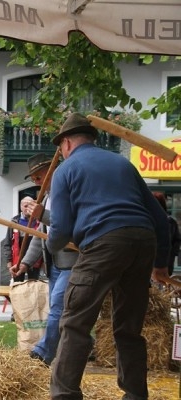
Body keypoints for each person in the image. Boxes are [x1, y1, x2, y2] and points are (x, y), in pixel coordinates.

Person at [46, 113, 170, 400]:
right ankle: (136, 395)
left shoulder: (66, 170)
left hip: (104, 243)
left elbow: (61, 229)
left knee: (75, 322)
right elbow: (160, 219)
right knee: (129, 327)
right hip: (143, 241)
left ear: (65, 143)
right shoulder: (122, 163)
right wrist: (161, 263)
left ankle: (64, 395)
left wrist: (52, 246)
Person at [16, 153, 78, 367]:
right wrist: (25, 262)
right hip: (54, 263)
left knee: (59, 309)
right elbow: (40, 235)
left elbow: (70, 227)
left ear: (52, 171)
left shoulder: (69, 194)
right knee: (59, 310)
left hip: (72, 261)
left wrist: (43, 215)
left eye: (38, 176)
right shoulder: (46, 197)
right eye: (33, 178)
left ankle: (42, 354)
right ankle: (69, 353)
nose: (35, 181)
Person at [1, 196, 42, 282]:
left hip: (35, 260)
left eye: (30, 206)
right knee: (17, 284)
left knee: (33, 284)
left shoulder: (39, 222)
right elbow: (7, 243)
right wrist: (9, 262)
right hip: (17, 260)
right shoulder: (15, 222)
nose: (27, 209)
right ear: (21, 207)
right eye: (25, 206)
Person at [152, 191, 181, 276]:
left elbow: (175, 240)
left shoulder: (168, 221)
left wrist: (172, 254)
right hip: (165, 258)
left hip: (162, 259)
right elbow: (177, 240)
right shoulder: (170, 221)